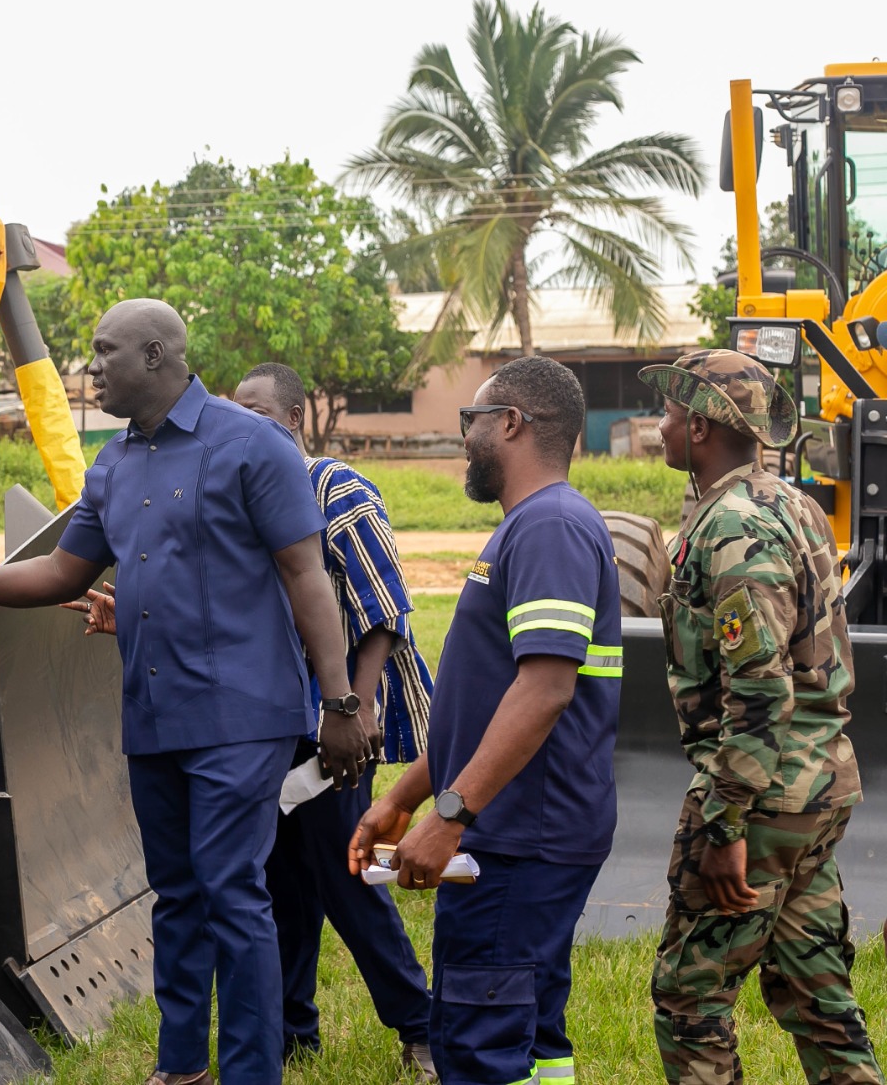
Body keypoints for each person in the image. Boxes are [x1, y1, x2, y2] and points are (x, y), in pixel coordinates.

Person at [0, 298, 378, 1085]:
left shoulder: (253, 447)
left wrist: (341, 703)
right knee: (177, 896)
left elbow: (306, 577)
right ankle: (181, 1070)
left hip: (243, 716)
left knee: (230, 893)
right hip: (154, 718)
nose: (90, 368)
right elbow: (59, 572)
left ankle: (252, 1073)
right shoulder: (112, 463)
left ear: (155, 356)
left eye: (103, 353)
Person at [69, 362, 437, 1081]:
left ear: (296, 419)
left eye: (264, 411)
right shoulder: (230, 476)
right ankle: (292, 1029)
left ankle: (421, 1026)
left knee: (340, 873)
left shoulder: (339, 490)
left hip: (330, 727)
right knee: (274, 877)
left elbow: (381, 613)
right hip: (261, 721)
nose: (249, 419)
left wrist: (350, 713)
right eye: (239, 408)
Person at [350, 355, 622, 1085]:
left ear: (509, 422)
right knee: (534, 1038)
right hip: (517, 829)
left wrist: (450, 815)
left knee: (479, 1043)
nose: (464, 436)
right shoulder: (532, 526)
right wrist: (403, 798)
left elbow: (543, 693)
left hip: (517, 836)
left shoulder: (550, 527)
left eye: (471, 420)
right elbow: (490, 706)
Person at [640, 349, 882, 1085]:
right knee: (816, 989)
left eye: (672, 415)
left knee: (690, 997)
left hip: (763, 795)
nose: (660, 429)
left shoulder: (733, 529)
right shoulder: (793, 503)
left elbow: (760, 692)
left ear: (706, 429)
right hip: (817, 788)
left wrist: (724, 828)